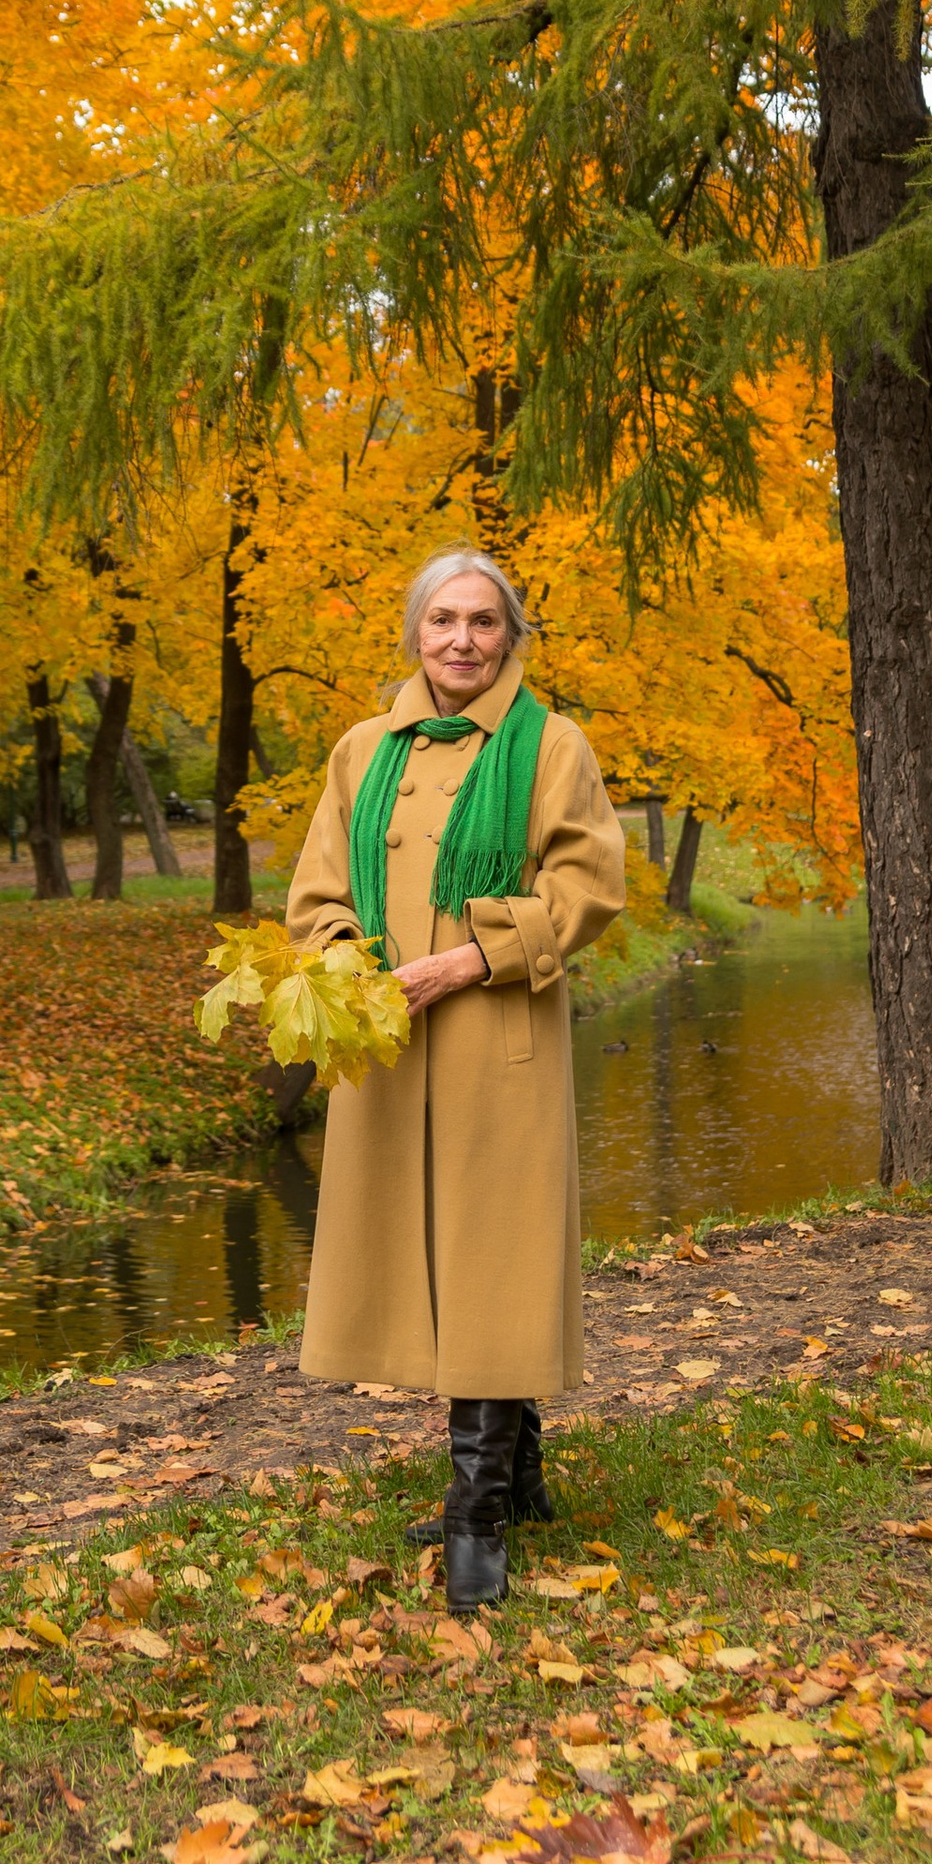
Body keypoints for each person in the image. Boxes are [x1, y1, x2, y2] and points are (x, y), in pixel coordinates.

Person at [285, 550, 627, 1612]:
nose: (463, 640)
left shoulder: (551, 746)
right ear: (413, 633)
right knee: (428, 1255)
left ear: (511, 634)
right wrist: (346, 955)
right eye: (443, 620)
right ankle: (517, 1477)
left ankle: (477, 1510)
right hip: (389, 1046)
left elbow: (589, 886)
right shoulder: (361, 750)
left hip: (497, 1033)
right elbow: (318, 890)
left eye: (484, 621)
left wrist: (472, 957)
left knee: (492, 1258)